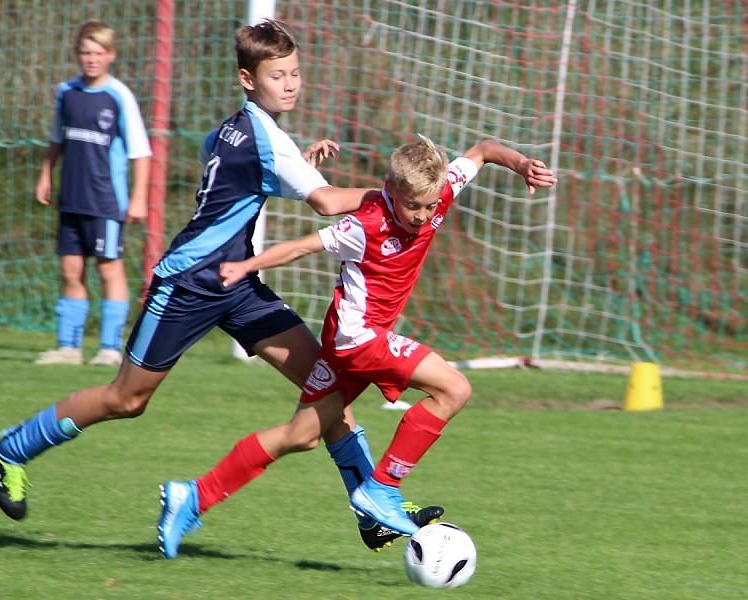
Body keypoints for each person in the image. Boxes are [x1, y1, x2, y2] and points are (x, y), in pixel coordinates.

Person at [0, 18, 440, 555]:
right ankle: (10, 448)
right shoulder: (266, 140)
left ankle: (371, 506)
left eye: (295, 73)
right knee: (126, 399)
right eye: (276, 75)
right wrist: (400, 193)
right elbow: (329, 202)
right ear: (248, 79)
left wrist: (292, 163)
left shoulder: (240, 128)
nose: (290, 84)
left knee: (326, 390)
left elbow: (215, 155)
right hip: (188, 283)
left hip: (237, 282)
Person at [156, 135, 556, 558]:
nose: (422, 216)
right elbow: (300, 247)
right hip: (358, 338)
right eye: (412, 206)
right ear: (390, 189)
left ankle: (195, 496)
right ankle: (382, 490)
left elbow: (482, 150)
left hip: (342, 344)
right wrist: (245, 266)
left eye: (429, 206)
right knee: (454, 389)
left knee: (301, 435)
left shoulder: (439, 192)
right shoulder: (365, 225)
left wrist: (519, 164)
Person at [34, 20, 152, 367]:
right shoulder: (65, 92)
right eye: (85, 52)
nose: (91, 59)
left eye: (98, 53)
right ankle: (68, 347)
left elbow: (140, 151)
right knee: (70, 270)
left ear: (110, 56)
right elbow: (57, 139)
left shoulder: (118, 95)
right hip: (71, 197)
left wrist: (139, 196)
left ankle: (110, 348)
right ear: (77, 54)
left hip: (105, 200)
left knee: (108, 270)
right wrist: (45, 175)